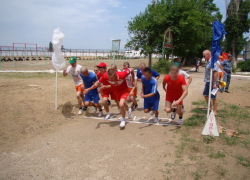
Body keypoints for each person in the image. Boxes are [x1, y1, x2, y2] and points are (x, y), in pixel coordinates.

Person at [202, 50, 219, 115]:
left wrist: (214, 83)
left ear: (208, 55)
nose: (203, 57)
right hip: (208, 81)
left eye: (204, 56)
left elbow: (215, 73)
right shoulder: (208, 62)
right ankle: (210, 108)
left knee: (213, 97)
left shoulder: (213, 62)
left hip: (212, 82)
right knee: (205, 95)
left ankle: (215, 110)